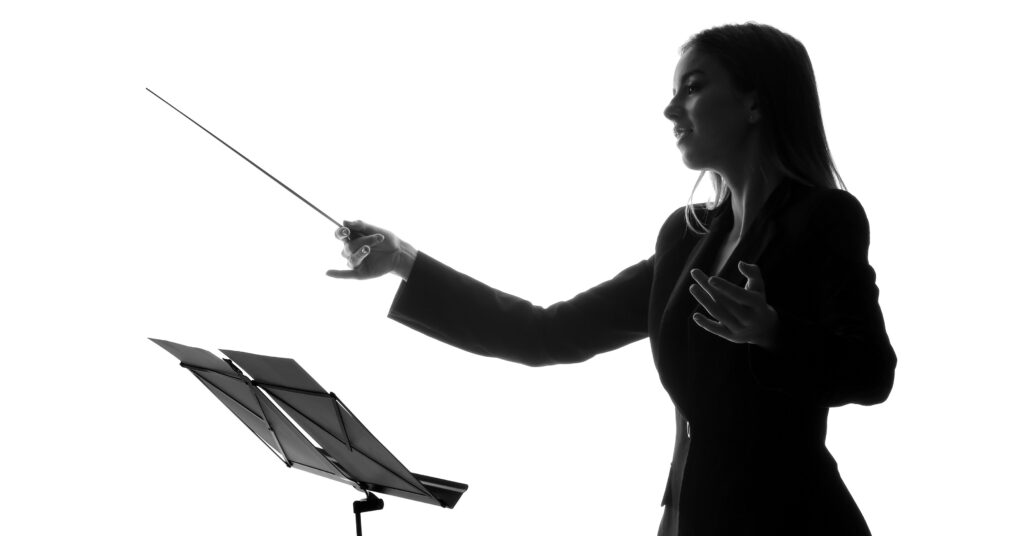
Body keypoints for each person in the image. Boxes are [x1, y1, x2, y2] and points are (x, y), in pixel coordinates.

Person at [327, 22, 896, 536]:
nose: (671, 110)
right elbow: (545, 333)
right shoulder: (685, 238)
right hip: (696, 517)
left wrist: (774, 333)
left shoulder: (824, 219)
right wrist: (405, 261)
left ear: (755, 102)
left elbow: (872, 372)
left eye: (693, 87)